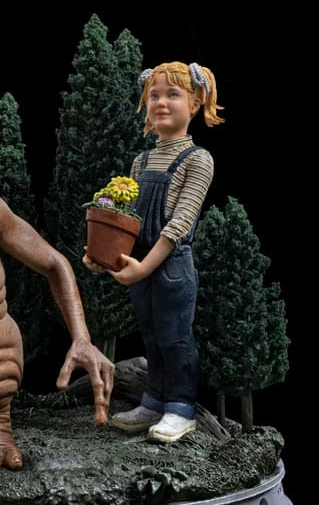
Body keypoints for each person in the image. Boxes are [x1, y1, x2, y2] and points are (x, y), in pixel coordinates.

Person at [84, 61, 223, 443]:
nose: (161, 102)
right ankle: (154, 401)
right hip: (138, 262)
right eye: (154, 95)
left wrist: (143, 267)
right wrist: (104, 255)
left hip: (170, 266)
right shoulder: (141, 160)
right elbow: (125, 219)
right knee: (151, 335)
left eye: (173, 95)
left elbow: (180, 223)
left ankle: (181, 408)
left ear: (195, 104)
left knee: (175, 337)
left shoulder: (197, 159)